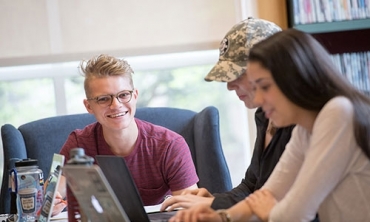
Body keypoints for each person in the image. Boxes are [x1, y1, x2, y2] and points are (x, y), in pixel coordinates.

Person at [169, 29, 370, 222]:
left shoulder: (338, 112)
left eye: (265, 87)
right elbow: (269, 193)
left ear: (294, 78)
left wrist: (267, 209)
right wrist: (219, 216)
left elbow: (293, 215)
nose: (258, 98)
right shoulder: (304, 129)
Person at [161, 17, 295, 211]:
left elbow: (282, 202)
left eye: (238, 74)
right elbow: (251, 187)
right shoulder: (264, 116)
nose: (230, 86)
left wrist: (216, 205)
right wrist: (213, 200)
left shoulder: (303, 123)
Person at [54, 54, 199, 214]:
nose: (116, 105)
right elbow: (53, 195)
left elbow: (191, 211)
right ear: (89, 106)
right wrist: (51, 204)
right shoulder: (78, 144)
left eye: (123, 95)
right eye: (103, 99)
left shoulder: (170, 145)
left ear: (135, 96)